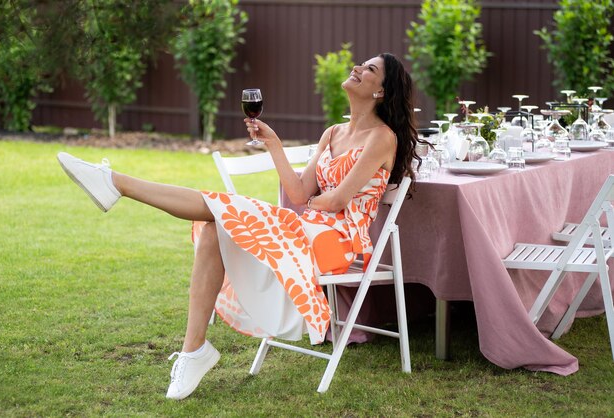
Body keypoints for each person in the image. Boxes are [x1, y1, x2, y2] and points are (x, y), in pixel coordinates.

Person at [56, 52, 421, 400]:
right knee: (217, 223)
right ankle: (192, 350)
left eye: (370, 69)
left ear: (381, 91)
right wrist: (273, 143)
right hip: (305, 229)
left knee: (223, 212)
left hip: (337, 244)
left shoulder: (382, 137)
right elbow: (297, 192)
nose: (358, 67)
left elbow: (339, 201)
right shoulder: (332, 133)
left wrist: (313, 204)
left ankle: (115, 182)